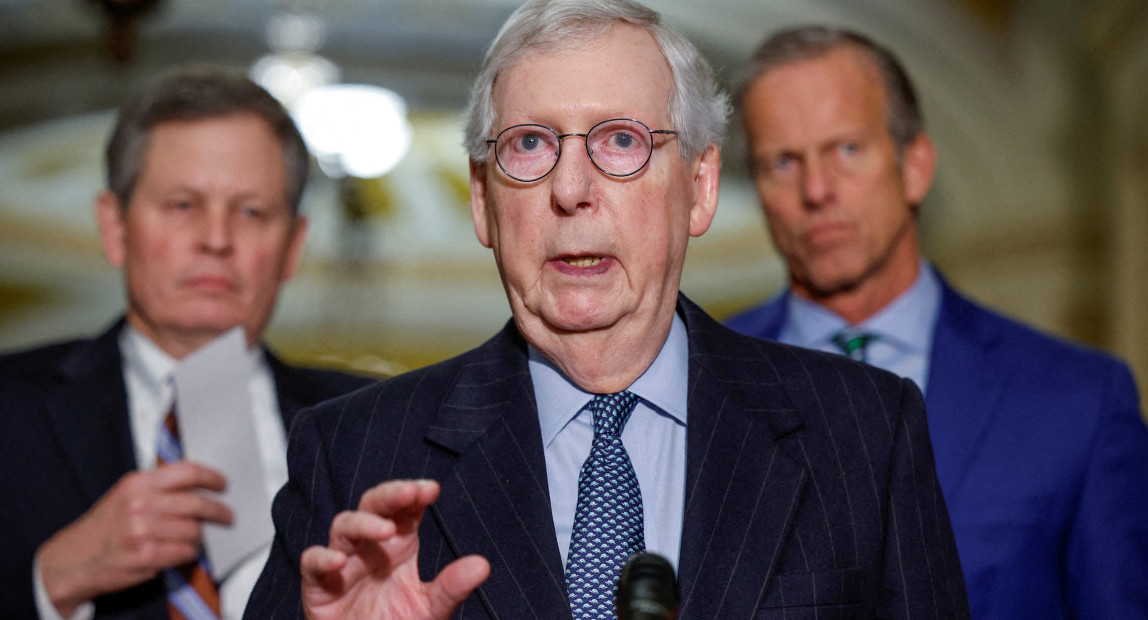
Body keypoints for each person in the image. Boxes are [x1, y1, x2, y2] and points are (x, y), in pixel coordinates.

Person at [245, 2, 969, 619]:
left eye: (620, 141)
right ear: (481, 200)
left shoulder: (864, 432)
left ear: (700, 186)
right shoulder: (353, 457)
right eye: (530, 145)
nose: (571, 189)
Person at [725, 26, 1148, 619]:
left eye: (847, 150)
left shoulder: (1079, 402)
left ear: (916, 166)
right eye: (783, 161)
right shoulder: (693, 379)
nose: (816, 190)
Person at [0, 68, 373, 619]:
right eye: (183, 205)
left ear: (292, 246)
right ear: (115, 226)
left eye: (250, 211)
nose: (216, 239)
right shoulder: (10, 408)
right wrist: (54, 579)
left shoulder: (378, 423)